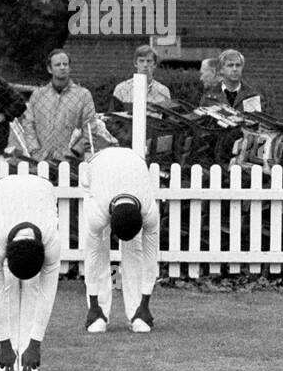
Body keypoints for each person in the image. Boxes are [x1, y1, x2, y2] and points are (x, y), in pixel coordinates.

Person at [0, 173, 61, 371]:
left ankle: (28, 356)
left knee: (34, 286)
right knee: (7, 282)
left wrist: (36, 343)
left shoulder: (51, 241)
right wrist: (4, 343)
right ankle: (9, 356)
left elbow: (47, 294)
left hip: (42, 192)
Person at [84, 146, 159, 334]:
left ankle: (137, 314)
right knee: (99, 247)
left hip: (134, 163)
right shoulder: (97, 212)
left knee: (136, 249)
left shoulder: (149, 212)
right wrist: (93, 304)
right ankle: (98, 314)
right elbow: (91, 257)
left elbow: (150, 258)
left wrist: (146, 302)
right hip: (97, 166)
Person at [18, 49, 97, 163]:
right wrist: (34, 151)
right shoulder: (38, 95)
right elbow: (29, 124)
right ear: (49, 69)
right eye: (57, 65)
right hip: (41, 160)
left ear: (70, 67)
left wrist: (74, 152)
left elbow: (90, 128)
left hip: (71, 161)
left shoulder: (83, 95)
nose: (62, 67)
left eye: (65, 64)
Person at [201, 49, 267, 112]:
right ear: (221, 69)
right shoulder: (209, 98)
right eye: (230, 65)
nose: (235, 69)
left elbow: (257, 122)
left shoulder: (252, 97)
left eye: (238, 65)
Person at [112, 46, 173, 112]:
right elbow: (113, 118)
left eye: (149, 61)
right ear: (135, 63)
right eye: (141, 61)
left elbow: (167, 119)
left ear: (154, 64)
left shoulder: (163, 91)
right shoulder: (121, 89)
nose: (145, 65)